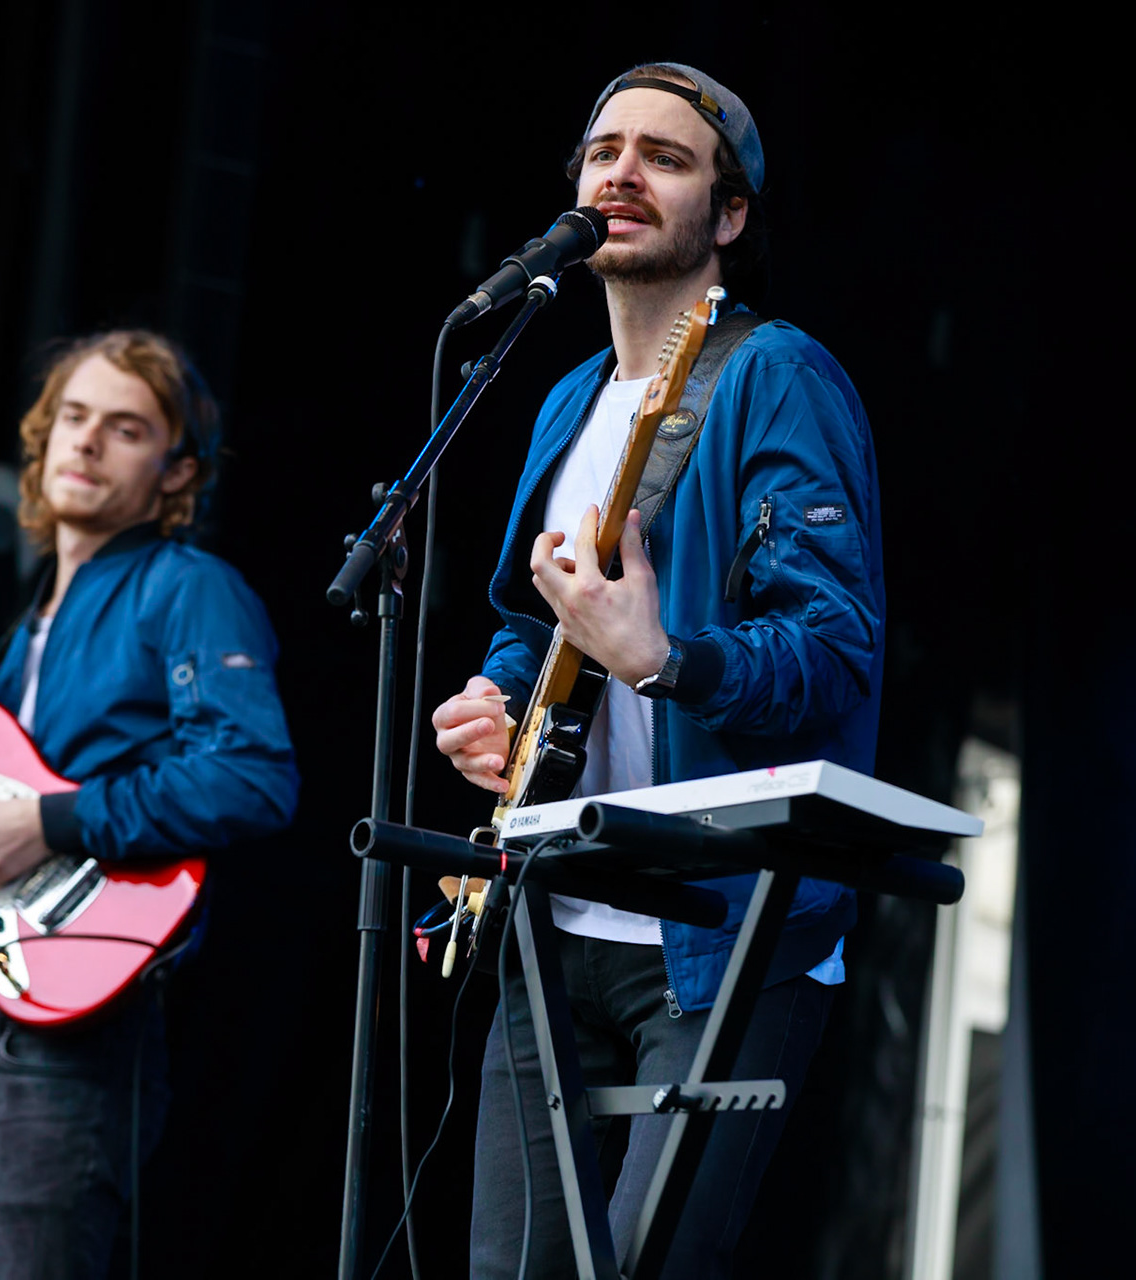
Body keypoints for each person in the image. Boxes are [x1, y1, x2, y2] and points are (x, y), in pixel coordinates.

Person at [430, 63, 884, 1275]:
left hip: (724, 925)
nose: (620, 174)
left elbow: (836, 649)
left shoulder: (772, 372)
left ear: (729, 215)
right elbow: (537, 623)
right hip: (554, 902)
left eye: (665, 158)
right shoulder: (570, 397)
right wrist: (497, 706)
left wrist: (665, 659)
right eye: (602, 153)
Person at [0, 330, 299, 1279]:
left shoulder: (189, 590)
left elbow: (253, 778)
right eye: (74, 419)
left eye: (124, 429)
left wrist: (50, 821)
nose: (86, 444)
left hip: (76, 1039)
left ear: (176, 474)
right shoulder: (25, 628)